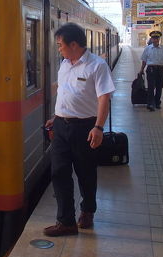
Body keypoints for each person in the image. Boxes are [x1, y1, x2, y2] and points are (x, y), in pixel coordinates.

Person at [42, 23, 115, 236]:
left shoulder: (97, 65)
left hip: (85, 127)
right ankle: (66, 221)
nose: (59, 49)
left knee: (85, 173)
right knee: (59, 172)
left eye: (60, 45)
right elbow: (66, 93)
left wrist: (98, 127)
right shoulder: (65, 64)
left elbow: (104, 99)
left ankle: (88, 210)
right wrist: (56, 116)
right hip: (61, 127)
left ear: (73, 44)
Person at [139, 31, 163, 111]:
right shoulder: (148, 48)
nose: (155, 40)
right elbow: (144, 60)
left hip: (160, 69)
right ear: (151, 39)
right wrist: (142, 69)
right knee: (151, 87)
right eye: (153, 38)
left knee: (159, 87)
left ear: (159, 39)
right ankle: (150, 104)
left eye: (157, 38)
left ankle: (157, 102)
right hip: (151, 69)